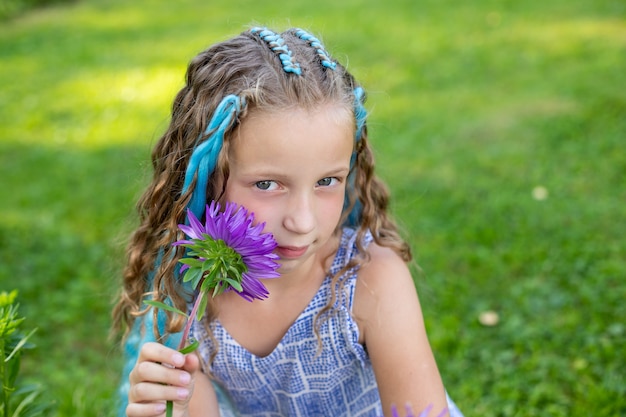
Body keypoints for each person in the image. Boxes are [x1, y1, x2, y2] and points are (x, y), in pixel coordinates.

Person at [112, 26, 464, 417]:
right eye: (267, 184)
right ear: (208, 175)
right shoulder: (187, 294)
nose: (302, 221)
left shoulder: (370, 281)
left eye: (327, 181)